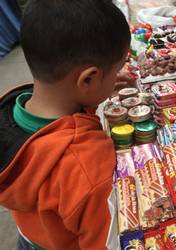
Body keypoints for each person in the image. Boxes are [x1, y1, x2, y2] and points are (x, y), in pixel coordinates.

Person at [0, 0, 132, 249]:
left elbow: (52, 129)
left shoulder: (10, 108)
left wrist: (94, 94)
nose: (117, 76)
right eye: (115, 71)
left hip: (31, 236)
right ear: (88, 78)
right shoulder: (87, 164)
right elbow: (105, 244)